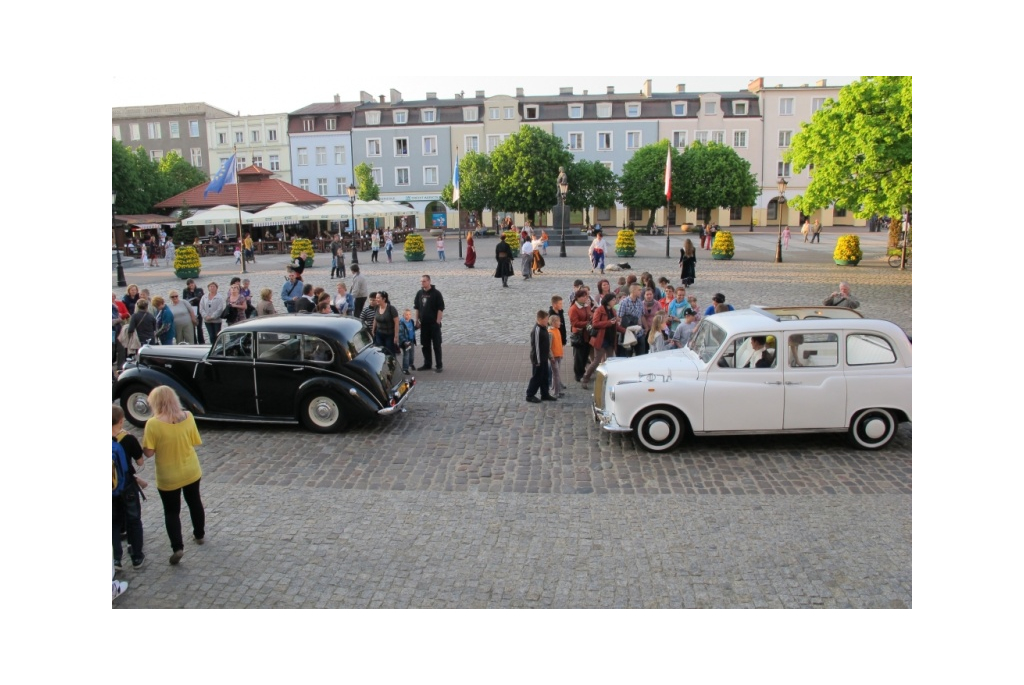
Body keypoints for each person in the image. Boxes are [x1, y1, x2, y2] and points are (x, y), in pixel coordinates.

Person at [142, 386, 205, 566]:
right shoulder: (188, 417)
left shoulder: (153, 424)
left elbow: (149, 453)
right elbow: (194, 441)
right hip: (191, 470)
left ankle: (177, 547)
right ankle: (199, 534)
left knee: (171, 511)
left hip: (168, 475)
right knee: (195, 502)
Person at [113, 405, 146, 572]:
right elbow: (140, 462)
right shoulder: (128, 439)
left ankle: (116, 559)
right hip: (127, 487)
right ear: (121, 421)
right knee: (133, 520)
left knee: (113, 523)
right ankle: (136, 556)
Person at [581, 293, 624, 390]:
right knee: (596, 361)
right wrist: (609, 322)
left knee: (610, 361)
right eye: (613, 300)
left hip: (610, 338)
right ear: (608, 301)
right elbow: (595, 324)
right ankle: (585, 378)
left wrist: (626, 330)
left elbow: (615, 326)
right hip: (600, 339)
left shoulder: (613, 311)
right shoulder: (599, 310)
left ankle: (609, 380)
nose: (615, 301)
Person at [414, 275, 445, 372]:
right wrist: (417, 320)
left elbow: (440, 308)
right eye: (421, 281)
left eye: (424, 281)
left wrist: (438, 321)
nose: (422, 283)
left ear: (429, 281)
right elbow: (417, 307)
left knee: (436, 345)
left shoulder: (436, 293)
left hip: (434, 324)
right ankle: (427, 363)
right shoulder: (419, 293)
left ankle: (439, 365)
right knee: (425, 344)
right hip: (424, 324)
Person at [526, 310, 557, 403]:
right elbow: (536, 348)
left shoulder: (543, 327)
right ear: (540, 319)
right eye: (546, 319)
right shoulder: (537, 330)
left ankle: (545, 394)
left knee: (545, 376)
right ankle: (530, 395)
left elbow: (546, 345)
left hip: (543, 358)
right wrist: (538, 361)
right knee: (537, 377)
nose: (547, 321)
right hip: (538, 359)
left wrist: (550, 356)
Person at [568, 289, 593, 383]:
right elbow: (574, 322)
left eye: (586, 296)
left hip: (587, 334)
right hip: (579, 335)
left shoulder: (586, 306)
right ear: (577, 297)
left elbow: (590, 315)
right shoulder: (573, 308)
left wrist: (592, 318)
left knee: (585, 355)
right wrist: (587, 323)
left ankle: (583, 373)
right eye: (583, 296)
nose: (585, 298)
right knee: (579, 356)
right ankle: (578, 375)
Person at [183, 279, 205, 344]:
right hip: (190, 310)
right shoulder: (185, 291)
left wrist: (197, 299)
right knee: (192, 327)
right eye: (189, 284)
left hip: (198, 310)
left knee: (199, 327)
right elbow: (184, 300)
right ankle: (194, 341)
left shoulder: (199, 290)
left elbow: (202, 298)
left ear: (194, 283)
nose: (191, 285)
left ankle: (201, 341)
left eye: (192, 283)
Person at [548, 314, 564, 398]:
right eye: (558, 321)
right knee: (555, 374)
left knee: (556, 374)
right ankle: (555, 392)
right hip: (554, 357)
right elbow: (549, 347)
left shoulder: (557, 330)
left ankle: (557, 390)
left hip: (558, 355)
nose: (560, 323)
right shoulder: (550, 333)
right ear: (553, 322)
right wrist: (551, 357)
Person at [399, 309, 416, 374]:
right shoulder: (401, 323)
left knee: (412, 354)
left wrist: (417, 327)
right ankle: (405, 369)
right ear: (403, 315)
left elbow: (412, 330)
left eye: (409, 314)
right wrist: (404, 341)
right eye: (406, 314)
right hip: (405, 342)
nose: (408, 316)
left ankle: (411, 364)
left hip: (411, 341)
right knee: (406, 355)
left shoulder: (411, 321)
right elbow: (400, 334)